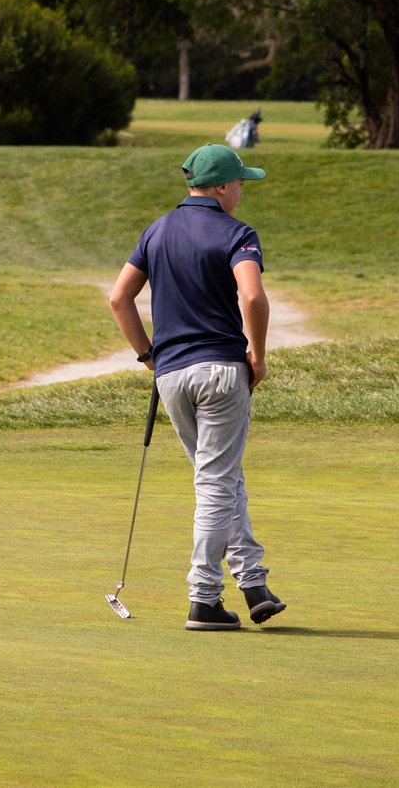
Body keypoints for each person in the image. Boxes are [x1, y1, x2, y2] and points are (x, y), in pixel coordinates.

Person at [107, 143, 284, 631]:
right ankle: (203, 597)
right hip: (222, 372)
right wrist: (258, 355)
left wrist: (148, 356)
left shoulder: (156, 230)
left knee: (220, 479)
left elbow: (120, 298)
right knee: (216, 483)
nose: (242, 193)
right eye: (241, 184)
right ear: (222, 187)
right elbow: (252, 295)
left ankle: (253, 583)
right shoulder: (237, 233)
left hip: (171, 376)